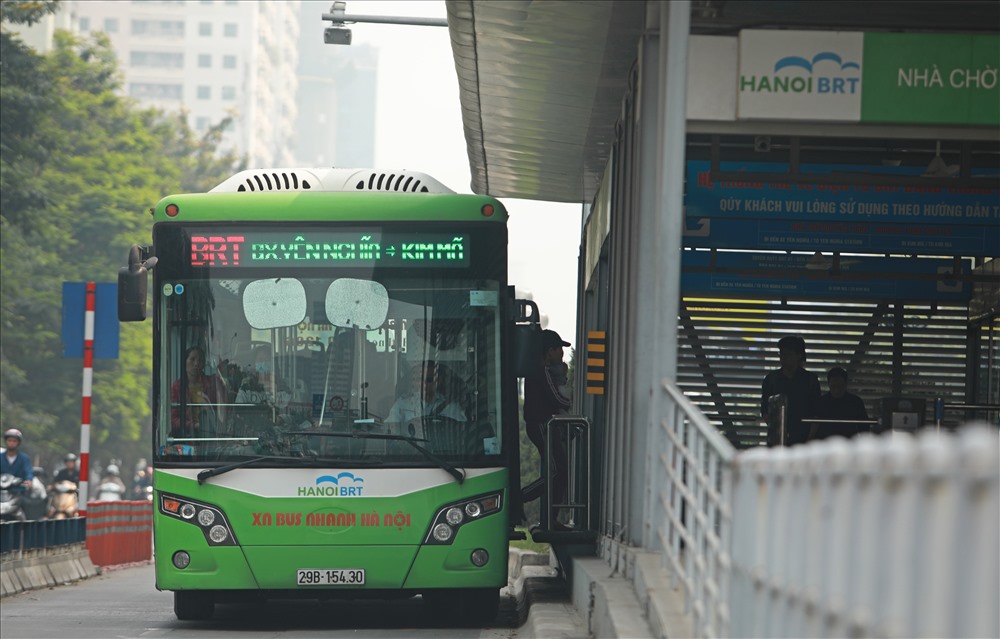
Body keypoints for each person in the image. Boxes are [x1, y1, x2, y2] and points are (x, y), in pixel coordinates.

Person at [522, 329, 573, 516]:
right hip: (542, 426)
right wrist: (568, 398)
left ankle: (552, 519)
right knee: (556, 472)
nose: (562, 353)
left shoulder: (537, 370)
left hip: (541, 426)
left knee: (559, 471)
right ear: (549, 350)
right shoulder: (542, 371)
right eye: (559, 348)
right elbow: (558, 400)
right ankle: (520, 497)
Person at [760, 335, 821, 446]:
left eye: (788, 354)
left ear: (799, 356)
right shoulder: (771, 379)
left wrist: (809, 441)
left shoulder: (810, 381)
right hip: (776, 441)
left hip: (803, 440)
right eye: (781, 354)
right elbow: (765, 410)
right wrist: (777, 432)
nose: (783, 358)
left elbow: (816, 415)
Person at [386, 361, 467, 439]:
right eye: (419, 379)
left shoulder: (452, 407)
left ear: (438, 381)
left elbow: (463, 433)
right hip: (409, 451)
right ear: (414, 382)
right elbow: (390, 430)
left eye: (429, 380)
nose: (423, 383)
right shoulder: (402, 404)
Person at [171, 346, 227, 437]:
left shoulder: (212, 384)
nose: (196, 363)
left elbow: (222, 410)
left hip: (210, 434)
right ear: (184, 362)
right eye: (192, 359)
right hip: (187, 435)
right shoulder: (176, 387)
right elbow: (172, 419)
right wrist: (193, 425)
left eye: (200, 361)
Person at [813, 367, 869, 440]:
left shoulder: (856, 402)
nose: (837, 390)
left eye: (840, 386)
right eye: (833, 386)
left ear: (846, 384)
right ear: (828, 384)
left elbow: (864, 428)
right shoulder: (820, 402)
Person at [1, 428, 34, 494]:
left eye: (14, 441)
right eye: (9, 440)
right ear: (6, 441)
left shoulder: (24, 458)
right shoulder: (0, 457)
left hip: (18, 491)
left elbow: (28, 471)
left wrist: (29, 480)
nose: (11, 443)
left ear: (18, 442)